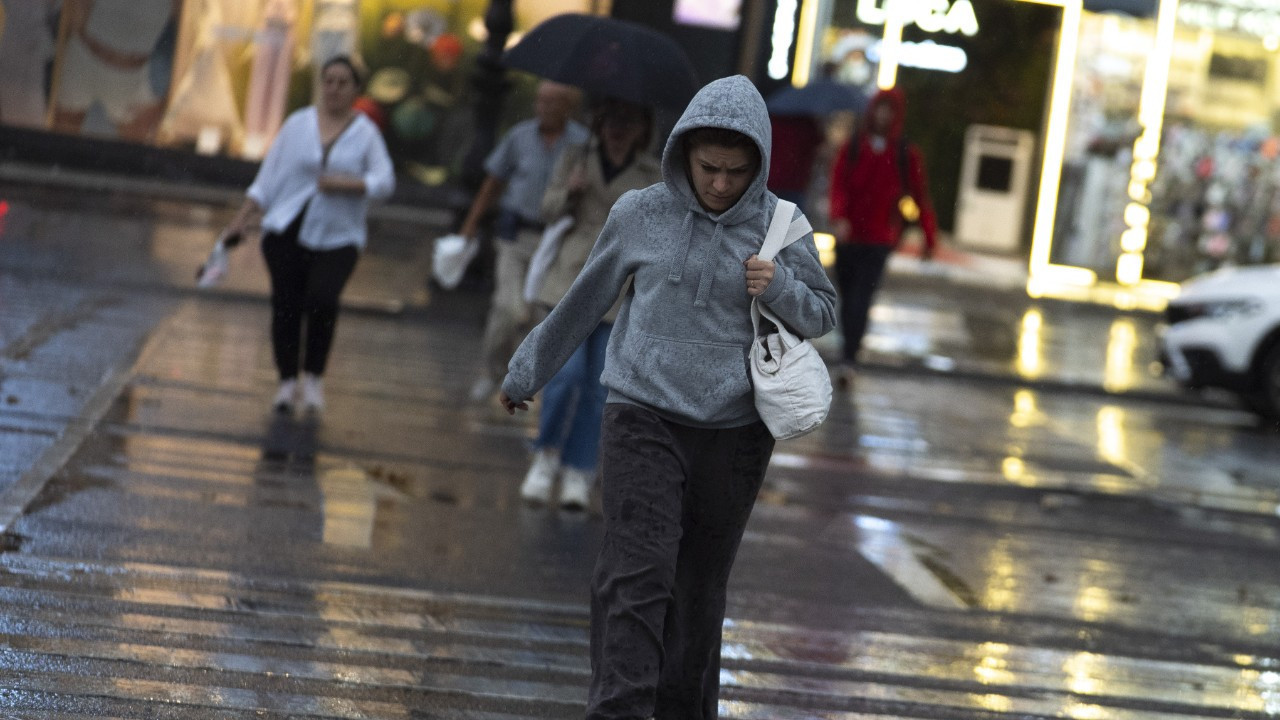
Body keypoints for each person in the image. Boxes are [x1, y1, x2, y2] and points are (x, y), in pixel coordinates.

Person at [499, 75, 835, 719]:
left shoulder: (783, 226)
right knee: (636, 573)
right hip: (642, 414)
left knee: (698, 588)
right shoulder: (639, 213)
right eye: (709, 168)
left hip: (735, 434)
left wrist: (779, 287)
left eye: (736, 172)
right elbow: (584, 299)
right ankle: (619, 709)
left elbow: (822, 313)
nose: (720, 184)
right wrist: (526, 372)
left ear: (759, 166)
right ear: (684, 153)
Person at [221, 55, 395, 414]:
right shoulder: (297, 124)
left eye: (342, 83)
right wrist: (240, 220)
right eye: (328, 81)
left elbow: (385, 181)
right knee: (286, 304)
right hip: (287, 229)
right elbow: (266, 180)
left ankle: (314, 376)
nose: (334, 89)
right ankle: (287, 381)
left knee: (323, 299)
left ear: (356, 89)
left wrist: (349, 184)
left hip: (339, 236)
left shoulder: (366, 133)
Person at [519, 99, 662, 510]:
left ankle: (579, 470)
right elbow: (546, 209)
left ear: (642, 129)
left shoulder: (653, 173)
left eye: (628, 122)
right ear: (600, 123)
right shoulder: (576, 156)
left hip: (620, 286)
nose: (618, 129)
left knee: (599, 388)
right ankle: (545, 455)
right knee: (564, 376)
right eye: (612, 120)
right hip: (570, 279)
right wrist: (570, 190)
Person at [458, 80, 589, 403]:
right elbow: (493, 182)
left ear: (568, 107)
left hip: (556, 240)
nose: (543, 108)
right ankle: (492, 372)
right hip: (516, 236)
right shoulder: (519, 136)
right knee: (508, 308)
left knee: (538, 316)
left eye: (552, 102)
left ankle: (520, 383)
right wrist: (470, 224)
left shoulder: (583, 143)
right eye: (539, 101)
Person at [827, 87, 938, 387]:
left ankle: (849, 359)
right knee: (847, 299)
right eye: (880, 109)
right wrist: (839, 217)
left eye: (890, 110)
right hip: (849, 238)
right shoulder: (853, 146)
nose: (883, 116)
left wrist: (929, 237)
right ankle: (848, 352)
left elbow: (920, 196)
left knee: (861, 299)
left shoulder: (904, 154)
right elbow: (838, 184)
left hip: (878, 240)